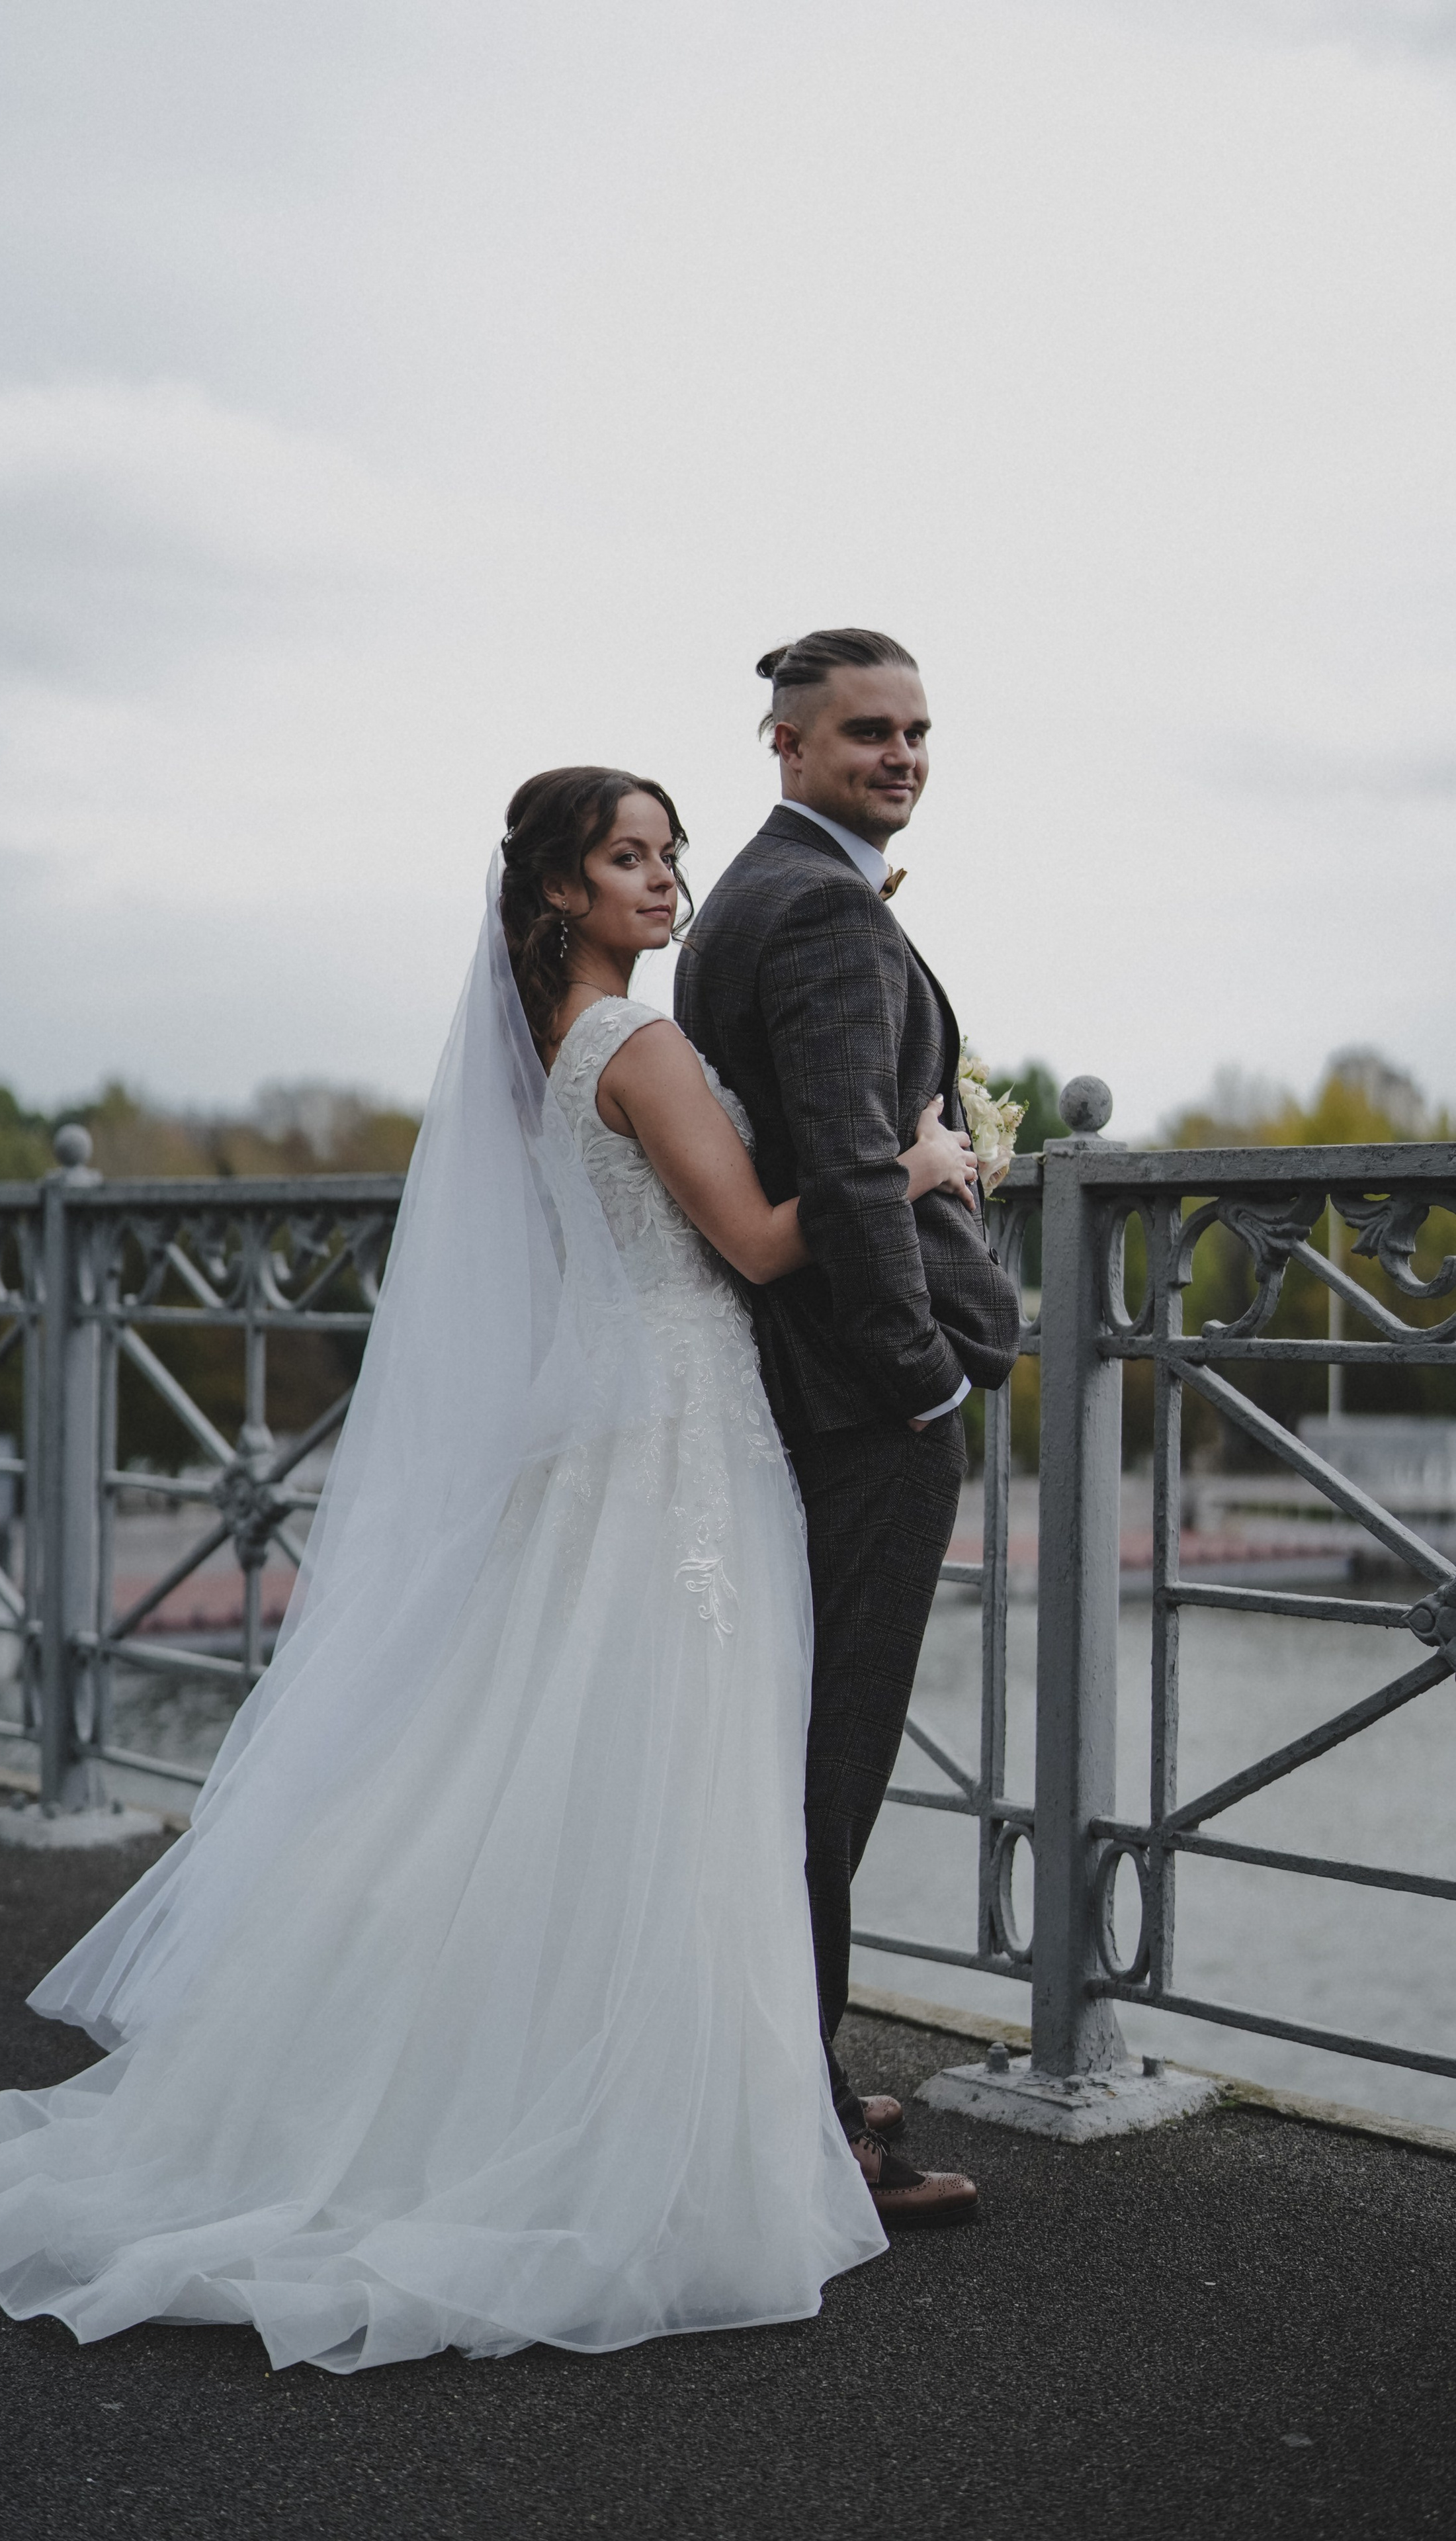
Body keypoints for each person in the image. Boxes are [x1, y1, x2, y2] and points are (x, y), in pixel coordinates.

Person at [0, 762, 972, 2380]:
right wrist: (913, 1169)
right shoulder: (635, 1038)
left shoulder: (552, 1047)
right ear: (558, 888)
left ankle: (645, 2089)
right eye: (627, 858)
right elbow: (765, 1242)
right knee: (692, 1772)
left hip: (628, 1426)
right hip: (684, 1438)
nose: (661, 880)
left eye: (667, 855)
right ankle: (651, 2123)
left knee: (596, 1770)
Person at [675, 629, 1021, 2217]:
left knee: (783, 1757)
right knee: (825, 1772)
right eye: (866, 732)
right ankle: (797, 2132)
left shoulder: (754, 893)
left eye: (917, 732)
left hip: (796, 1389)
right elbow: (844, 1167)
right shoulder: (813, 907)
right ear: (785, 744)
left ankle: (771, 2082)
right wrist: (920, 1375)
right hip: (859, 1401)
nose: (900, 756)